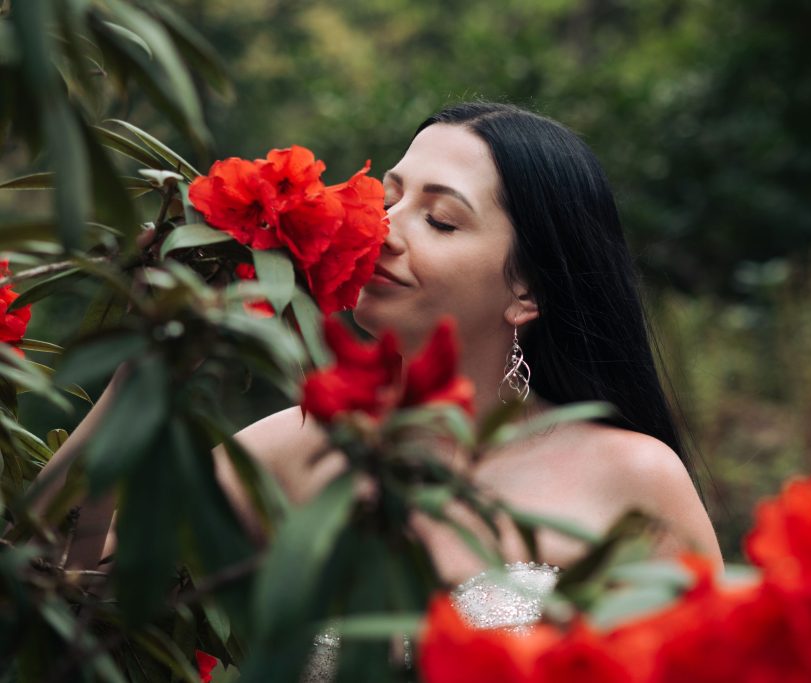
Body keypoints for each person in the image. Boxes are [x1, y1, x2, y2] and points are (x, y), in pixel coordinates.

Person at [35, 101, 721, 606]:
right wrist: (143, 369)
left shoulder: (634, 478)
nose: (383, 231)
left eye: (441, 218)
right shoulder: (293, 448)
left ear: (527, 289)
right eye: (386, 199)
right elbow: (45, 594)